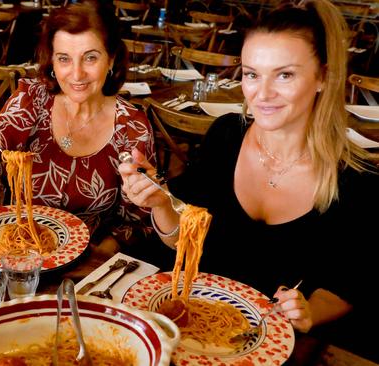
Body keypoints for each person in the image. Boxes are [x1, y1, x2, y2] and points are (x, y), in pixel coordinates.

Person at [119, 0, 378, 361]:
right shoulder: (226, 136)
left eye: (284, 74)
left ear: (324, 76)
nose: (262, 93)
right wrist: (160, 202)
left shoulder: (357, 179)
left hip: (274, 348)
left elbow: (349, 284)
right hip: (191, 335)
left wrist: (309, 312)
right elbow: (180, 237)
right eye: (252, 74)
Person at [0, 1, 158, 259]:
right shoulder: (29, 101)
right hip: (11, 251)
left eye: (90, 57)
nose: (77, 74)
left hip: (89, 258)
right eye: (64, 59)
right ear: (52, 62)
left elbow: (138, 219)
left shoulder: (132, 127)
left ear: (111, 59)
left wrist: (96, 260)